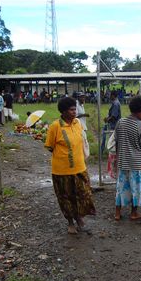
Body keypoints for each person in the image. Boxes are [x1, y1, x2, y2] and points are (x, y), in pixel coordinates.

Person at [45, 97, 96, 235]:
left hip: (80, 168)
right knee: (65, 197)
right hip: (62, 170)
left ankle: (80, 219)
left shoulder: (77, 123)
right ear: (63, 111)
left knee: (83, 194)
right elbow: (50, 146)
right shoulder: (55, 126)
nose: (74, 112)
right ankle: (71, 222)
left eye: (75, 109)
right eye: (71, 109)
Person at [114, 96, 141, 221]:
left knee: (121, 187)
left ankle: (117, 213)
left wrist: (117, 158)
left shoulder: (120, 122)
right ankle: (133, 213)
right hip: (137, 164)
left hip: (123, 161)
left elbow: (117, 142)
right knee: (136, 189)